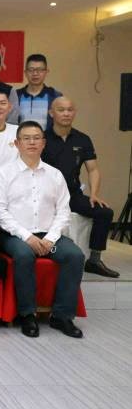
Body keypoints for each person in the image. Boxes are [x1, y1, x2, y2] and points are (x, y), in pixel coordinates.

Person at [0, 121, 85, 339]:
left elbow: (63, 211)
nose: (32, 142)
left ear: (44, 143)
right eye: (26, 138)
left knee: (74, 255)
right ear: (17, 143)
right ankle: (27, 314)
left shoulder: (55, 175)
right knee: (24, 255)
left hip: (49, 237)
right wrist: (27, 237)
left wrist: (51, 238)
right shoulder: (3, 174)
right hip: (15, 236)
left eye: (36, 138)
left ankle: (62, 316)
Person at [43, 97, 118, 278]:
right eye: (61, 110)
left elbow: (93, 169)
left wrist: (94, 194)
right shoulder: (41, 138)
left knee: (104, 212)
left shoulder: (83, 139)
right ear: (51, 113)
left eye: (70, 110)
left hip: (72, 194)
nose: (66, 113)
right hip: (46, 195)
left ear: (74, 113)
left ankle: (94, 260)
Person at [17, 53, 62, 130]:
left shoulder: (55, 96)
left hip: (47, 138)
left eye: (40, 70)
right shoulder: (16, 95)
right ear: (25, 72)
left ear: (46, 72)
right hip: (22, 137)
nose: (35, 73)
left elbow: (60, 123)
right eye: (31, 70)